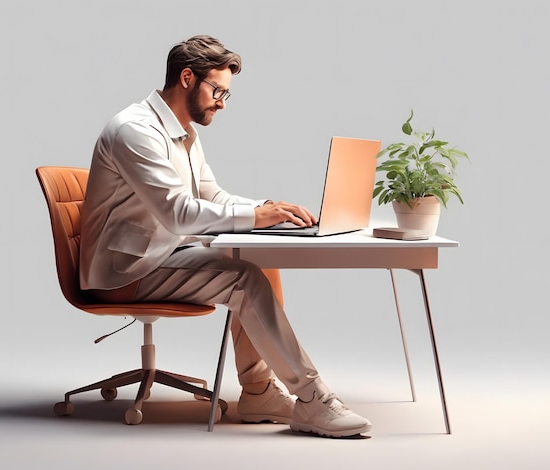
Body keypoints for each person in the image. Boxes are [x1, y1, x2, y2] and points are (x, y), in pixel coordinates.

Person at [79, 35, 372, 438]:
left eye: (226, 95)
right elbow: (179, 213)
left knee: (260, 265)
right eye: (217, 91)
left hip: (162, 253)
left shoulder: (183, 133)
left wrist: (269, 210)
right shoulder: (136, 131)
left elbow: (211, 196)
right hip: (127, 269)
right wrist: (255, 216)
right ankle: (311, 399)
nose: (221, 103)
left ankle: (259, 392)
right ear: (186, 78)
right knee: (243, 278)